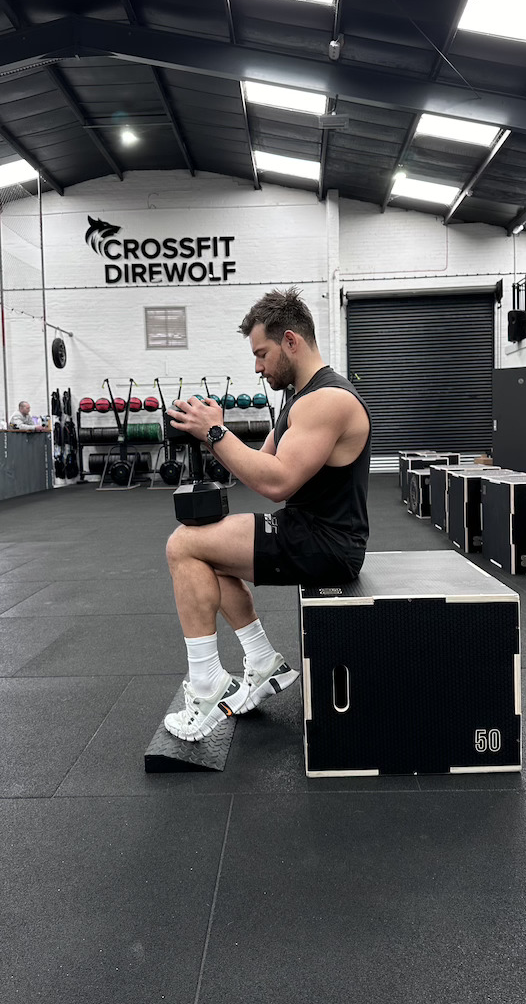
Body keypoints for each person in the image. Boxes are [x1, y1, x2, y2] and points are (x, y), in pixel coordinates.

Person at [163, 287, 371, 741]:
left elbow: (277, 483)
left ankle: (206, 686)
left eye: (262, 354)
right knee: (201, 545)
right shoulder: (299, 397)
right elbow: (260, 462)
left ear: (291, 341)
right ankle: (261, 662)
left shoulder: (327, 400)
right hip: (306, 528)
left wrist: (215, 432)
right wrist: (214, 429)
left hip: (325, 542)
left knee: (183, 545)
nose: (257, 367)